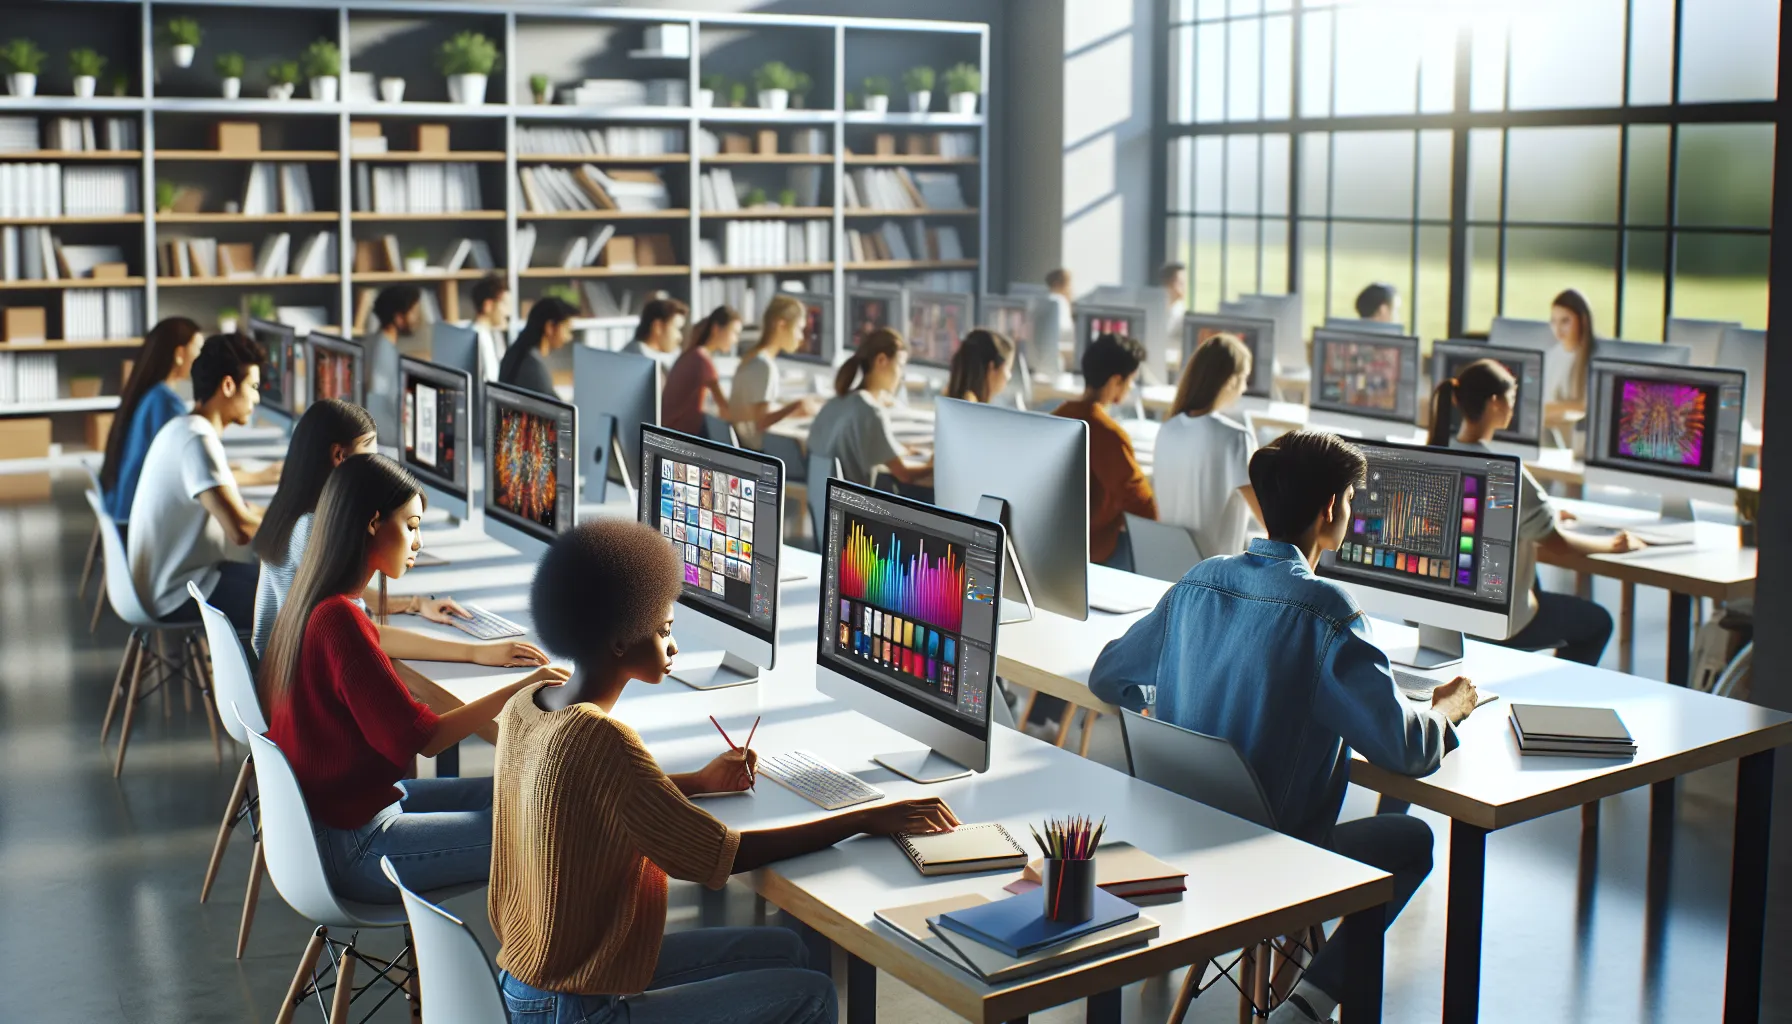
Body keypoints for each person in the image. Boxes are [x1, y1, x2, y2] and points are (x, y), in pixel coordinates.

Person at [490, 517, 958, 1024]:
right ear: (620, 640)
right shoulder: (601, 738)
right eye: (664, 630)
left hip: (527, 981)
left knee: (786, 950)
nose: (673, 647)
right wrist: (863, 819)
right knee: (814, 993)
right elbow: (718, 856)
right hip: (577, 1006)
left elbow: (589, 797)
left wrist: (699, 783)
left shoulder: (527, 705)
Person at [1088, 430, 1480, 1024]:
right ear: (1330, 510)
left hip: (1178, 838)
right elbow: (1403, 749)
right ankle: (1307, 1005)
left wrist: (1169, 691)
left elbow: (1108, 677)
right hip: (1269, 859)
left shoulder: (1200, 581)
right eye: (1350, 499)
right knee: (1410, 841)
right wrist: (1447, 711)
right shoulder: (1329, 613)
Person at [262, 453, 570, 904]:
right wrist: (524, 687)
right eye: (411, 525)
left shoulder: (319, 601)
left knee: (524, 790)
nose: (418, 541)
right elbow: (424, 739)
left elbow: (372, 641)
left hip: (338, 821)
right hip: (356, 847)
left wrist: (476, 653)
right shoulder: (338, 619)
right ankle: (547, 969)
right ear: (372, 523)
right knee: (547, 827)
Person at [250, 397, 547, 669]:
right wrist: (474, 652)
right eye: (370, 458)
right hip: (295, 682)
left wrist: (414, 604)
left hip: (278, 673)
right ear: (340, 456)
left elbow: (342, 593)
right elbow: (363, 633)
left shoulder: (295, 509)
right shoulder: (311, 527)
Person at [1428, 359, 1637, 664]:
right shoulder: (1505, 472)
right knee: (1598, 622)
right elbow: (1557, 543)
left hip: (1449, 613)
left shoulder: (1438, 454)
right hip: (1499, 622)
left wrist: (1547, 512)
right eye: (1511, 399)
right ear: (1496, 402)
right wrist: (1613, 545)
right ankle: (1558, 698)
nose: (1513, 407)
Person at [127, 333, 270, 629]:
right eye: (253, 387)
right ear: (228, 385)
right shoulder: (198, 440)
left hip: (177, 582)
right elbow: (241, 530)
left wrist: (294, 517)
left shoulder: (183, 427)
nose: (257, 398)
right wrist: (313, 528)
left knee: (284, 583)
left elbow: (240, 508)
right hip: (177, 594)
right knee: (294, 601)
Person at [1154, 332, 1265, 560]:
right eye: (1244, 378)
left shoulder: (1167, 430)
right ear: (1230, 379)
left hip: (1168, 567)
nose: (1243, 389)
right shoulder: (1235, 437)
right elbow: (1269, 521)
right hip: (1215, 578)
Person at [1052, 333, 1157, 568]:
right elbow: (1143, 507)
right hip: (1095, 549)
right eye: (1130, 381)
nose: (1130, 388)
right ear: (1115, 381)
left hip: (1058, 542)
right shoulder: (1107, 433)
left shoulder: (1059, 416)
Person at [99, 317, 204, 524]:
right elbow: (192, 471)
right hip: (137, 522)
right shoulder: (166, 404)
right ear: (180, 354)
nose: (202, 357)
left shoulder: (153, 396)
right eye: (199, 349)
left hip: (123, 513)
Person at [806, 328, 929, 487]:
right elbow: (904, 474)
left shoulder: (835, 403)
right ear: (881, 361)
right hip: (850, 508)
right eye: (900, 365)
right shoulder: (871, 411)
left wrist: (903, 450)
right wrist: (934, 467)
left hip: (822, 506)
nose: (901, 375)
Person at [729, 295, 821, 449]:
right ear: (781, 325)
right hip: (757, 451)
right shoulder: (765, 367)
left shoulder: (750, 358)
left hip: (743, 444)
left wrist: (790, 410)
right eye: (799, 329)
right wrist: (796, 406)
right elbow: (761, 422)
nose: (800, 337)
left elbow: (753, 414)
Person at [661, 305, 741, 436]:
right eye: (734, 333)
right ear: (716, 329)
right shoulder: (702, 360)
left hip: (670, 433)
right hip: (681, 439)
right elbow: (726, 411)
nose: (736, 340)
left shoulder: (692, 354)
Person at [364, 286, 423, 444]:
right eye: (413, 312)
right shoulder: (384, 352)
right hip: (387, 443)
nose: (418, 318)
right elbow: (378, 404)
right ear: (399, 318)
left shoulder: (374, 342)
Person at [498, 296, 576, 398]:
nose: (568, 337)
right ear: (550, 327)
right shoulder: (532, 367)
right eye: (567, 330)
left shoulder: (517, 354)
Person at [1547, 288, 1595, 420]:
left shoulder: (1594, 358)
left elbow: (1586, 406)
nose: (1558, 329)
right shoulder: (1553, 355)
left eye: (1565, 321)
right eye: (1553, 321)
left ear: (1582, 320)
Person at [944, 328, 1014, 404]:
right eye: (1008, 369)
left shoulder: (948, 404)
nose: (1008, 377)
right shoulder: (974, 410)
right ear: (992, 367)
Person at [622, 297, 689, 368]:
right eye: (677, 328)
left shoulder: (676, 357)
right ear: (658, 327)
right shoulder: (628, 362)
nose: (679, 337)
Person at [470, 272, 511, 383]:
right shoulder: (479, 338)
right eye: (504, 304)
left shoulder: (493, 334)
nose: (508, 313)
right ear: (488, 305)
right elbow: (492, 381)